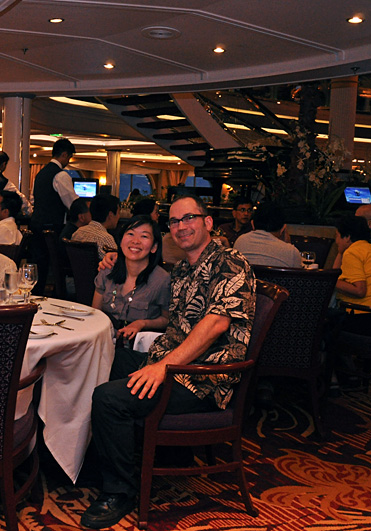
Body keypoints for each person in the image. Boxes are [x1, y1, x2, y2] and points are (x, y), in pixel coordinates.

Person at [80, 194, 255, 529]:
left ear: (207, 222)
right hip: (171, 362)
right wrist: (116, 256)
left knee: (108, 398)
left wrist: (162, 367)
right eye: (174, 221)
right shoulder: (186, 268)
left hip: (202, 378)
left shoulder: (229, 262)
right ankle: (99, 457)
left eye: (189, 218)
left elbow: (216, 324)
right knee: (100, 363)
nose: (181, 226)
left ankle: (119, 491)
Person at [93, 216, 170, 376]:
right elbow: (95, 312)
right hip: (103, 344)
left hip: (135, 355)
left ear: (154, 247)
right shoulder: (108, 270)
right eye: (130, 234)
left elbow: (167, 319)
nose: (135, 241)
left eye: (144, 236)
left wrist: (141, 323)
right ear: (121, 241)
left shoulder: (162, 280)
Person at [29, 138, 80, 294]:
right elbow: (72, 202)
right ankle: (57, 295)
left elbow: (33, 200)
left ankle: (35, 295)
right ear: (64, 154)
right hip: (52, 227)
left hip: (36, 224)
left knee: (39, 266)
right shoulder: (61, 175)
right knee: (54, 265)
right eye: (69, 157)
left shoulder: (40, 174)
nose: (68, 161)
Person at [332, 214, 371, 336]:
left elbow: (359, 290)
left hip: (365, 317)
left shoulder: (352, 252)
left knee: (322, 325)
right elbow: (335, 273)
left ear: (347, 237)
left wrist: (331, 281)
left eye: (337, 236)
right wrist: (340, 252)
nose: (336, 241)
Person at [234, 202, 302, 268]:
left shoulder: (240, 242)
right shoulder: (292, 253)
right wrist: (288, 245)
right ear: (283, 228)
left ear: (252, 224)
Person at [71, 193, 119, 260]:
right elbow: (116, 263)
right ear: (110, 215)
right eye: (118, 213)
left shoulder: (77, 232)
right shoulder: (105, 238)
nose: (119, 217)